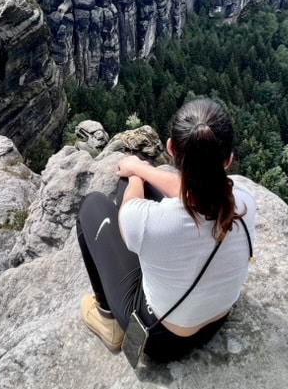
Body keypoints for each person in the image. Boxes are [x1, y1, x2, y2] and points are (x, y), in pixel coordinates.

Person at [75, 98, 256, 362]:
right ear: (227, 160)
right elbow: (191, 192)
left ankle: (107, 319)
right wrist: (143, 168)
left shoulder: (154, 221)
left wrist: (135, 173)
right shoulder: (244, 201)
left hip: (163, 339)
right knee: (148, 187)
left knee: (92, 206)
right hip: (217, 319)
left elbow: (129, 210)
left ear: (171, 148)